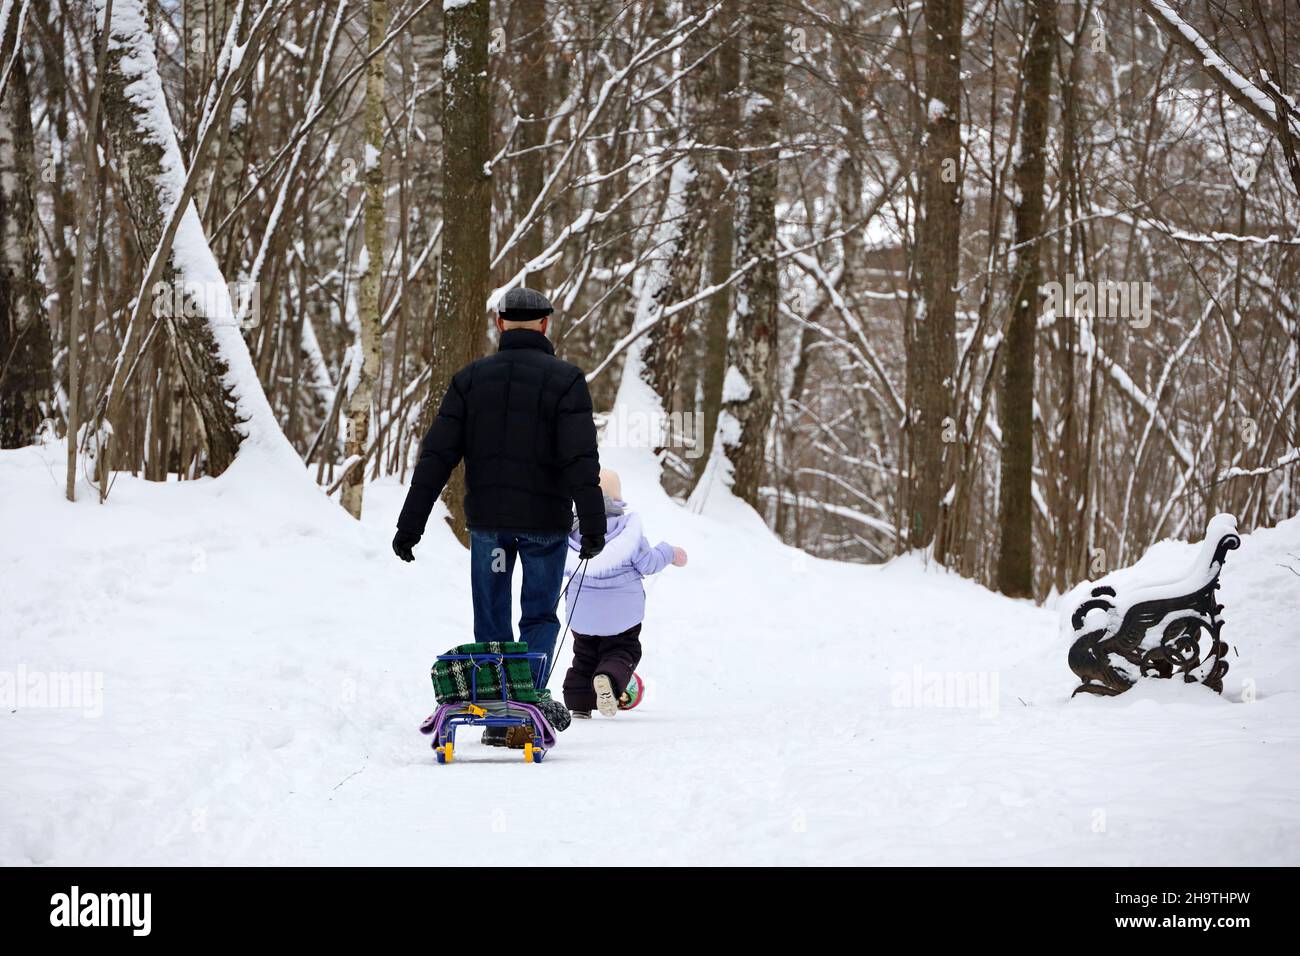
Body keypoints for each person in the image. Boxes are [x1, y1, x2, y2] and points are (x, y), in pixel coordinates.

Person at [393, 287, 606, 745]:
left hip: (489, 528)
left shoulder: (470, 380)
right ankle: (525, 707)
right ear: (546, 324)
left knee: (491, 619)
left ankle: (495, 713)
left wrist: (410, 524)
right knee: (539, 616)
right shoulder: (567, 380)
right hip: (545, 528)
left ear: (499, 323)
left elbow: (437, 457)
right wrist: (593, 524)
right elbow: (581, 462)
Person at [561, 468, 687, 717]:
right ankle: (608, 678)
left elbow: (561, 569)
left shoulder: (572, 532)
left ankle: (578, 703)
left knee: (583, 656)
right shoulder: (627, 530)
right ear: (617, 498)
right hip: (622, 615)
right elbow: (648, 563)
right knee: (624, 650)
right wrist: (670, 552)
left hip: (582, 614)